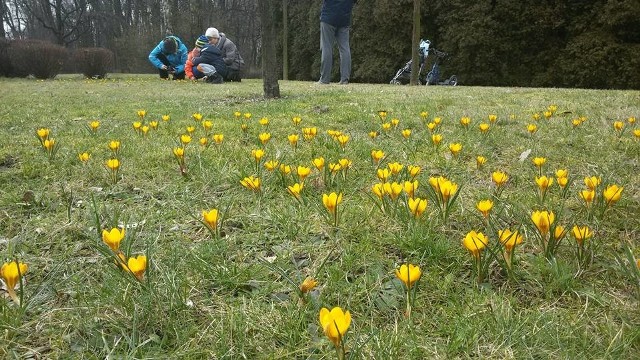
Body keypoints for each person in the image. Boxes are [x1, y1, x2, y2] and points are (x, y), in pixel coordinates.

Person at [319, 0, 356, 85]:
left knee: (327, 47)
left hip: (328, 17)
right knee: (345, 48)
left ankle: (324, 79)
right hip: (344, 19)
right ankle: (344, 79)